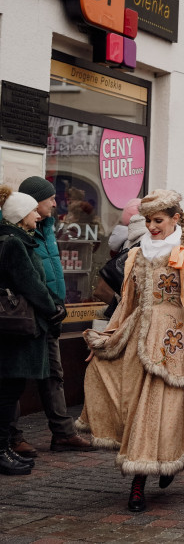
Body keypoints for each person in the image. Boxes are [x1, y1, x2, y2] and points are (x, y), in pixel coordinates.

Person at [77, 190, 184, 511]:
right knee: (141, 410)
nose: (152, 227)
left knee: (171, 408)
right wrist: (107, 338)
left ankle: (168, 459)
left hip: (174, 344)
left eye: (158, 220)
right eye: (148, 221)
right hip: (138, 338)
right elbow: (126, 304)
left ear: (175, 219)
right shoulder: (136, 256)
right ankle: (139, 482)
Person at [6, 176, 94, 457]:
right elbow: (27, 279)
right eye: (49, 200)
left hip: (50, 315)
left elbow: (49, 273)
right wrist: (49, 304)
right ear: (33, 202)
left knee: (54, 374)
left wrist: (56, 306)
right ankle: (12, 436)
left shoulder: (44, 228)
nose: (56, 204)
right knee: (13, 379)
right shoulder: (16, 236)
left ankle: (63, 433)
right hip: (26, 317)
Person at [0, 187, 62, 476]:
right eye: (33, 211)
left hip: (14, 330)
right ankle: (1, 450)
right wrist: (52, 310)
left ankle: (4, 448)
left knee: (10, 390)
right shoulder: (13, 242)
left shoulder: (18, 239)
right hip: (17, 330)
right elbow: (29, 283)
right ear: (21, 215)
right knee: (8, 391)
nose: (38, 215)